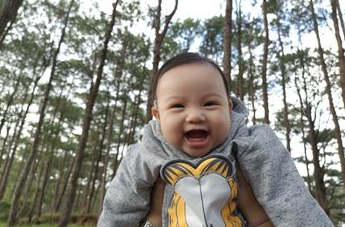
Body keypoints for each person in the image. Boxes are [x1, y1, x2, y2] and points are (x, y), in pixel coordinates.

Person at [97, 53, 333, 227]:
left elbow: (289, 198)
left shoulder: (251, 144)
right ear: (158, 117)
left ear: (228, 108)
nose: (196, 115)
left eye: (210, 103)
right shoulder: (143, 155)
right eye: (178, 106)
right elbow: (119, 209)